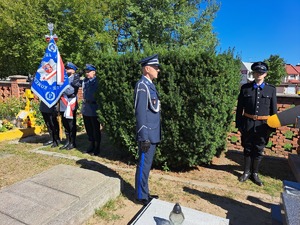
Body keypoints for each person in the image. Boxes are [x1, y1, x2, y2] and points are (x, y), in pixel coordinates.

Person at [236, 61, 277, 186]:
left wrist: (272, 127)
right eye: (256, 72)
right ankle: (246, 172)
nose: (259, 74)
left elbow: (273, 110)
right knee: (247, 148)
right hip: (248, 123)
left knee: (259, 149)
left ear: (265, 74)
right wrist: (239, 125)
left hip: (263, 125)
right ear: (253, 73)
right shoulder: (245, 88)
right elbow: (239, 109)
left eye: (261, 72)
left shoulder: (271, 90)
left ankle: (255, 174)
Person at [134, 54, 161, 205]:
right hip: (147, 134)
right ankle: (140, 195)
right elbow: (140, 112)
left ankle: (145, 192)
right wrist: (144, 136)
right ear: (147, 68)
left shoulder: (150, 85)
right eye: (155, 67)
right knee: (144, 165)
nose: (158, 70)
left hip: (153, 133)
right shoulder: (142, 86)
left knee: (147, 165)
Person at [59, 62, 81, 150]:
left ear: (73, 70)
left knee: (71, 124)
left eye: (68, 68)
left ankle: (73, 142)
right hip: (63, 104)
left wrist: (61, 89)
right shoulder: (64, 78)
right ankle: (67, 141)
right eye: (66, 68)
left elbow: (70, 91)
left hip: (70, 104)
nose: (66, 70)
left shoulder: (75, 79)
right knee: (65, 124)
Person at [81, 64, 101, 156]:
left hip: (94, 108)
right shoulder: (85, 81)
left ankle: (97, 146)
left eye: (89, 72)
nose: (87, 74)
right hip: (86, 108)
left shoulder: (97, 81)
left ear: (94, 72)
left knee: (95, 129)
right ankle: (91, 144)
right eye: (86, 72)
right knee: (88, 128)